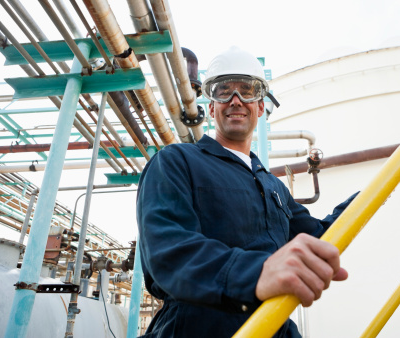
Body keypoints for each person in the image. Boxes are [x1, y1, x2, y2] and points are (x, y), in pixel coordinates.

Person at [136, 46, 358, 337]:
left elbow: (317, 238)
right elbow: (166, 250)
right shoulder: (176, 161)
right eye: (223, 91)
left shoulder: (274, 187)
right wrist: (256, 273)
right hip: (194, 327)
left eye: (247, 90)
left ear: (261, 106)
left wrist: (362, 201)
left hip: (272, 325)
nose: (236, 100)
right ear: (212, 107)